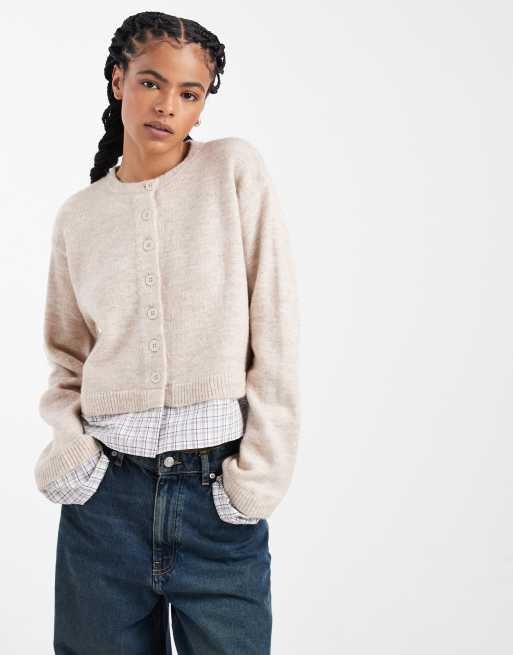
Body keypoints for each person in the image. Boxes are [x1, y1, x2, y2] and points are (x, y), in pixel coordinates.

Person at [34, 11, 300, 655]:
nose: (168, 106)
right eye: (151, 83)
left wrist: (256, 480)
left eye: (190, 93)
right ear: (117, 79)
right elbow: (67, 358)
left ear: (204, 105)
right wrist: (74, 453)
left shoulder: (232, 170)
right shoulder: (79, 217)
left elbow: (276, 327)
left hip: (217, 499)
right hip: (105, 505)